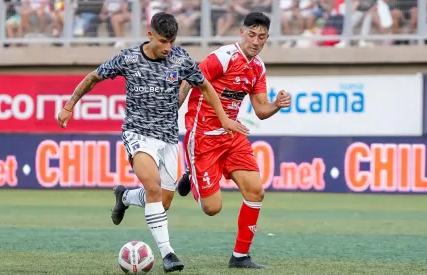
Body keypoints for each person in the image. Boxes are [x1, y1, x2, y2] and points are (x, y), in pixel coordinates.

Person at [57, 12, 248, 273]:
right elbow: (93, 77)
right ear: (150, 35)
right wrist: (69, 106)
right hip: (138, 134)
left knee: (163, 201)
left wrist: (224, 118)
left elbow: (205, 86)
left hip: (168, 138)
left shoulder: (180, 58)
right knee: (154, 189)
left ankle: (125, 197)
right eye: (163, 41)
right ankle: (168, 254)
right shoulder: (129, 58)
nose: (168, 47)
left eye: (172, 41)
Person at [111, 12, 292, 269]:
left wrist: (277, 104)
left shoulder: (258, 68)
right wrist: (174, 109)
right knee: (212, 208)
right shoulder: (223, 57)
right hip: (203, 134)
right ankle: (188, 176)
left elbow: (261, 109)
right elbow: (190, 78)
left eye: (261, 37)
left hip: (232, 135)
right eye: (251, 34)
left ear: (267, 38)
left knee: (256, 191)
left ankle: (240, 256)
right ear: (242, 33)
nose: (255, 41)